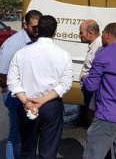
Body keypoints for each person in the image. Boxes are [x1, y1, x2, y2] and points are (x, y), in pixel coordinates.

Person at [7, 15, 74, 158]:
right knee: (48, 152)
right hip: (51, 106)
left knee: (27, 150)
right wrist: (43, 100)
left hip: (27, 104)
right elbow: (65, 83)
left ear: (37, 30)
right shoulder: (64, 55)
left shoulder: (21, 53)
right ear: (55, 31)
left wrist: (26, 101)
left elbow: (12, 81)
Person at [82, 22, 116, 159]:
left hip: (108, 114)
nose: (100, 37)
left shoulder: (103, 55)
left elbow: (90, 86)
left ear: (107, 35)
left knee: (93, 155)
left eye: (102, 35)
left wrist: (84, 77)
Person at [0, 9, 42, 159]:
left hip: (28, 94)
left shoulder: (35, 40)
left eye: (38, 27)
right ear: (25, 24)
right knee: (16, 135)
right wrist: (6, 88)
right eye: (34, 27)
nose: (37, 30)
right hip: (14, 95)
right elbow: (1, 73)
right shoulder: (13, 44)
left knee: (25, 133)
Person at [79, 19, 102, 125]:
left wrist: (85, 78)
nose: (79, 35)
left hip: (93, 94)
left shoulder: (99, 48)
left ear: (91, 33)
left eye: (81, 32)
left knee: (92, 123)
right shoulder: (94, 46)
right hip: (90, 92)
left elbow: (98, 73)